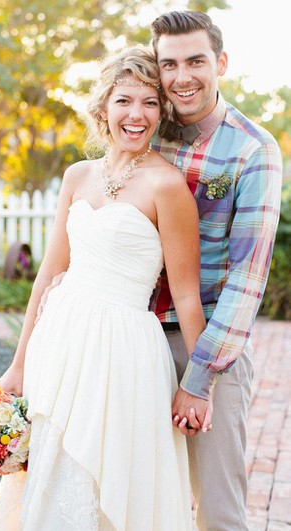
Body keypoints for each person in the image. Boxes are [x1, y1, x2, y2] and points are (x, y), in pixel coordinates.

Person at [0, 46, 210, 531]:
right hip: (61, 341)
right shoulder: (77, 176)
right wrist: (19, 363)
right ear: (103, 109)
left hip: (125, 354)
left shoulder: (168, 187)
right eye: (124, 101)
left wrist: (200, 384)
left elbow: (186, 295)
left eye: (150, 103)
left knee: (114, 481)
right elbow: (49, 273)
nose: (137, 115)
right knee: (53, 474)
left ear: (162, 113)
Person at [149, 10, 282, 531]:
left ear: (221, 62)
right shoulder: (141, 128)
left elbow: (247, 282)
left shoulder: (253, 150)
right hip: (134, 339)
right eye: (169, 64)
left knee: (220, 512)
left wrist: (199, 379)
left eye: (196, 61)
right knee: (141, 496)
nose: (182, 77)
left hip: (209, 350)